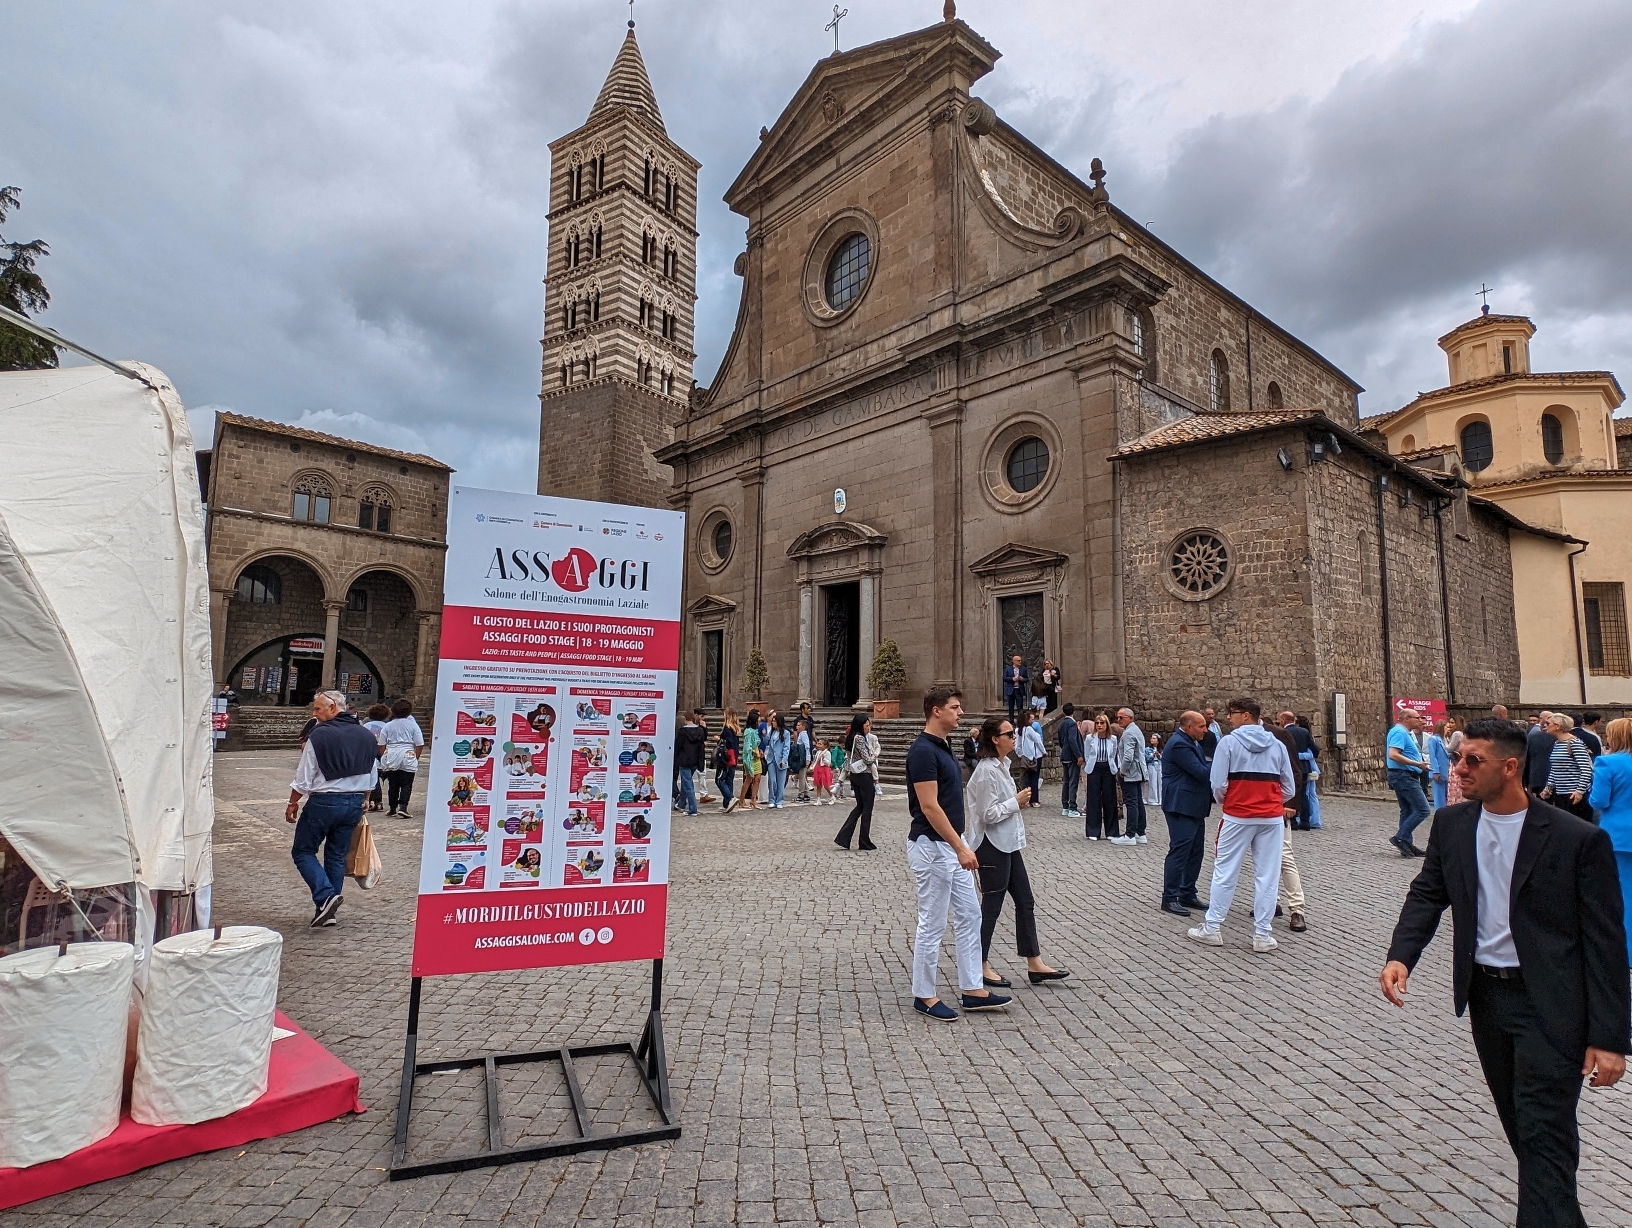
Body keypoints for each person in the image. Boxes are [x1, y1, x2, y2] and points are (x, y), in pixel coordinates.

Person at [1380, 717, 1629, 1228]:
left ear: (1510, 767)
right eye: (1457, 758)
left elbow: (1606, 945)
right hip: (1487, 1001)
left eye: (1473, 760)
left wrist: (1611, 1039)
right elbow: (1430, 891)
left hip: (1552, 1003)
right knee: (1525, 1130)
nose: (1460, 769)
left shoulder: (1576, 840)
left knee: (1543, 1131)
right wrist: (1401, 954)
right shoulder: (1453, 825)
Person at [906, 686, 1010, 1020]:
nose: (960, 712)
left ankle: (972, 988)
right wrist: (959, 846)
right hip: (933, 846)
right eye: (955, 707)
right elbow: (929, 807)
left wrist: (961, 844)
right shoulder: (923, 751)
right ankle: (924, 994)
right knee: (932, 922)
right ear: (936, 711)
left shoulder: (944, 746)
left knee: (970, 914)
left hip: (951, 845)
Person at [965, 715, 1070, 990]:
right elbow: (987, 814)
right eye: (1009, 734)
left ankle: (1034, 961)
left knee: (1025, 901)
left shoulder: (1002, 765)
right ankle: (978, 962)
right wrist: (1016, 802)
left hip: (1009, 843)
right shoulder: (987, 771)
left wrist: (1015, 804)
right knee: (992, 906)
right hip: (991, 844)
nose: (1014, 737)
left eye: (1013, 733)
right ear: (995, 739)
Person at [1187, 697, 1295, 953]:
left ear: (1245, 715)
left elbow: (1217, 784)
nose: (1229, 718)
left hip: (1237, 815)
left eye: (1233, 713)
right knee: (1267, 876)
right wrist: (1268, 800)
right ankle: (1262, 934)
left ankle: (1212, 928)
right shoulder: (1277, 745)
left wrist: (1232, 799)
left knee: (1225, 871)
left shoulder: (1229, 743)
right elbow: (1288, 786)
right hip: (1270, 816)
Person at [284, 691, 379, 928]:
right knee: (335, 855)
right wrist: (366, 797)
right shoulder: (366, 735)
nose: (314, 714)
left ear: (333, 707)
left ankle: (326, 896)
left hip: (325, 802)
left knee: (303, 851)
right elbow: (372, 772)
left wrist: (293, 802)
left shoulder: (320, 735)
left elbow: (304, 777)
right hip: (355, 802)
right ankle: (328, 912)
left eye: (317, 709)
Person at [1159, 711, 1213, 916]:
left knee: (1195, 851)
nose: (1205, 730)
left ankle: (1187, 891)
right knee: (1180, 850)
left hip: (1194, 805)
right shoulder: (1180, 744)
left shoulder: (1191, 741)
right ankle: (1170, 897)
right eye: (1201, 726)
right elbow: (1200, 772)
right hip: (1181, 805)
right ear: (1189, 726)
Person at [1588, 719, 1632, 962]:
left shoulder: (1608, 762)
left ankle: (1626, 951)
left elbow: (1599, 801)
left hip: (1619, 835)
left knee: (1622, 894)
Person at [1267, 719, 1310, 934]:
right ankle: (1271, 901)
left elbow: (1294, 770)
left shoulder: (1279, 735)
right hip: (1252, 809)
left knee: (1285, 856)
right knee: (1262, 858)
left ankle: (1297, 909)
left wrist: (1291, 803)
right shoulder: (1236, 738)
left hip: (1277, 805)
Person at [1387, 708, 1431, 857]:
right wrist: (1417, 764)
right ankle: (1400, 837)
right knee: (1423, 809)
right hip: (1403, 776)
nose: (1420, 720)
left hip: (1404, 775)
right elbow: (1393, 754)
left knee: (1407, 810)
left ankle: (1406, 842)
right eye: (1417, 717)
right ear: (1406, 718)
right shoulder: (1399, 732)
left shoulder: (1404, 732)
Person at [1541, 713, 1596, 823]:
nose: (1544, 726)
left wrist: (1579, 791)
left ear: (1557, 726)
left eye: (1548, 723)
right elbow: (1555, 768)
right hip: (1561, 794)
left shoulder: (1575, 743)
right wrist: (1549, 787)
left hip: (1574, 796)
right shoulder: (1557, 743)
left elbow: (1586, 768)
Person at [835, 714, 879, 851]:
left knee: (860, 806)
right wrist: (874, 756)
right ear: (860, 725)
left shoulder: (850, 737)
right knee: (867, 807)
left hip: (855, 775)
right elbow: (867, 759)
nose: (869, 728)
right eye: (866, 725)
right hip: (863, 775)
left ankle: (843, 837)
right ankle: (864, 840)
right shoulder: (859, 738)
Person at [380, 697, 425, 817]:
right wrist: (416, 757)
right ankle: (403, 807)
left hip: (392, 754)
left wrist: (384, 755)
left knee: (393, 784)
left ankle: (392, 808)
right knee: (407, 783)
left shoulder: (388, 726)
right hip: (408, 754)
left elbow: (381, 743)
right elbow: (419, 743)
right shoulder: (413, 725)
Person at [1082, 712, 1121, 841]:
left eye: (1102, 723)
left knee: (1110, 800)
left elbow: (1114, 754)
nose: (1099, 725)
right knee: (1093, 800)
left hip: (1108, 768)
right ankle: (1093, 830)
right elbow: (1087, 754)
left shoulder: (1113, 739)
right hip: (1094, 768)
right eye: (1097, 723)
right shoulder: (1090, 738)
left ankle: (1112, 831)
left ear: (1107, 724)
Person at [1112, 707, 1147, 845]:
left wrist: (1122, 771)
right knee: (1138, 801)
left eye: (1122, 717)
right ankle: (1140, 832)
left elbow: (1128, 756)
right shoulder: (1135, 730)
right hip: (1138, 771)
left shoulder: (1129, 734)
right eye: (1118, 717)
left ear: (1130, 718)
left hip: (1131, 773)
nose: (1119, 720)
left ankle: (1130, 834)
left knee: (1132, 802)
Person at [1277, 711, 1314, 829]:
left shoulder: (1283, 733)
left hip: (1290, 766)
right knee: (1303, 794)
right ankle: (1305, 820)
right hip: (1304, 767)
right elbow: (1314, 749)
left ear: (1283, 720)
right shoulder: (1304, 732)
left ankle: (1292, 820)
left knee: (1290, 792)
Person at [674, 710, 707, 816]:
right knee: (686, 782)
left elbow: (678, 746)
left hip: (684, 760)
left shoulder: (682, 732)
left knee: (688, 784)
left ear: (685, 719)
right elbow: (702, 745)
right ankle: (681, 804)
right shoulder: (699, 731)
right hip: (695, 760)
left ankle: (693, 809)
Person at [362, 702, 391, 813]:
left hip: (369, 753)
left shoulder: (365, 726)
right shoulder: (387, 726)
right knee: (379, 778)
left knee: (372, 779)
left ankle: (374, 800)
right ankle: (379, 801)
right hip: (382, 753)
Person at [1056, 702, 1084, 818]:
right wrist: (1078, 755)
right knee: (1073, 782)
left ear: (1063, 712)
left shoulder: (1061, 724)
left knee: (1066, 782)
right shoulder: (1072, 724)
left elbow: (1061, 740)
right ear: (1074, 712)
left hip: (1065, 755)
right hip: (1072, 757)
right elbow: (1073, 740)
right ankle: (1072, 807)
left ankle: (1065, 806)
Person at [1016, 714, 1044, 808]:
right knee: (1034, 779)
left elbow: (1017, 746)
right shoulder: (1029, 729)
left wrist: (1021, 754)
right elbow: (1038, 741)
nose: (1033, 721)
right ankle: (1034, 799)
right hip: (1034, 757)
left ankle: (1026, 799)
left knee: (1026, 779)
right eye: (1031, 719)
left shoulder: (1019, 730)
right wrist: (1043, 751)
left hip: (1025, 757)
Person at [1524, 711, 1555, 796]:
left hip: (1537, 779)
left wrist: (1526, 782)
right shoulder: (1563, 740)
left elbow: (1527, 760)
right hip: (1560, 782)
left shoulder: (1532, 737)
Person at [764, 712, 790, 809]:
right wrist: (766, 734)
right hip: (771, 759)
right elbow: (766, 742)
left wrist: (784, 759)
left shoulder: (786, 733)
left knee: (781, 781)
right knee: (772, 780)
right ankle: (771, 799)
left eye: (774, 721)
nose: (773, 723)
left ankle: (779, 800)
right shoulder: (772, 732)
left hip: (781, 760)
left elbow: (786, 747)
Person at [717, 708, 741, 812]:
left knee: (719, 779)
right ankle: (726, 804)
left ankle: (730, 798)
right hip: (734, 756)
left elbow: (729, 743)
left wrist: (719, 740)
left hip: (726, 757)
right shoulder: (736, 729)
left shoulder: (727, 728)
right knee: (729, 780)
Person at [739, 708, 762, 811]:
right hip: (750, 758)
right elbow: (747, 747)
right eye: (758, 720)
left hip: (756, 757)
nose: (760, 722)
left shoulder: (755, 731)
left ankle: (753, 800)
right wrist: (754, 752)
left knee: (757, 779)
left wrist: (759, 751)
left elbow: (756, 744)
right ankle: (741, 799)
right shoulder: (748, 731)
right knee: (749, 779)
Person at [1427, 719, 1451, 811]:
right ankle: (1440, 812)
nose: (1448, 729)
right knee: (1439, 795)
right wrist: (1435, 771)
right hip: (1439, 771)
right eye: (1447, 727)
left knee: (1446, 795)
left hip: (1447, 770)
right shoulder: (1433, 739)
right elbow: (1433, 757)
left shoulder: (1446, 739)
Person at [1444, 715, 1466, 806]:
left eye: (1452, 722)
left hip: (1455, 761)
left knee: (1454, 783)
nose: (1450, 724)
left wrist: (1444, 737)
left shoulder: (1456, 733)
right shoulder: (1463, 733)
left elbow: (1449, 748)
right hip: (1460, 760)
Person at [791, 716, 814, 803]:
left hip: (804, 758)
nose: (797, 727)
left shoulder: (803, 735)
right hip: (805, 757)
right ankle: (805, 794)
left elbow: (806, 746)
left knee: (801, 776)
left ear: (803, 727)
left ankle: (800, 795)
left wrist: (800, 752)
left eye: (798, 725)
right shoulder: (802, 734)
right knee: (803, 776)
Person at [1002, 655, 1029, 725]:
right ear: (1014, 661)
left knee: (1020, 707)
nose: (1020, 662)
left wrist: (1022, 679)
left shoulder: (1023, 669)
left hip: (1019, 690)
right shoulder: (1008, 669)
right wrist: (1012, 679)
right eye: (1018, 660)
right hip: (1010, 690)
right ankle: (1011, 720)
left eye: (1020, 660)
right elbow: (1004, 678)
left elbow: (1026, 679)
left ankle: (1020, 721)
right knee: (1011, 706)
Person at [1141, 732, 1163, 810]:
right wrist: (1152, 756)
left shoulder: (1162, 750)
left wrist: (1159, 756)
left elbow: (1164, 759)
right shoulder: (1147, 749)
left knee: (1160, 782)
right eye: (1151, 738)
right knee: (1152, 782)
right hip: (1151, 766)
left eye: (1154, 738)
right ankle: (1152, 799)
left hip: (1159, 766)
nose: (1152, 740)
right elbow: (1145, 758)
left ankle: (1160, 799)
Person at [812, 737, 835, 804]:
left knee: (826, 785)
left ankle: (832, 796)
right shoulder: (818, 752)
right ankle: (818, 799)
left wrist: (824, 758)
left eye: (820, 744)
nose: (818, 745)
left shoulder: (827, 753)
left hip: (824, 769)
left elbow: (828, 763)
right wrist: (813, 765)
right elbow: (816, 760)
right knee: (818, 785)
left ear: (825, 746)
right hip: (818, 768)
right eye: (818, 743)